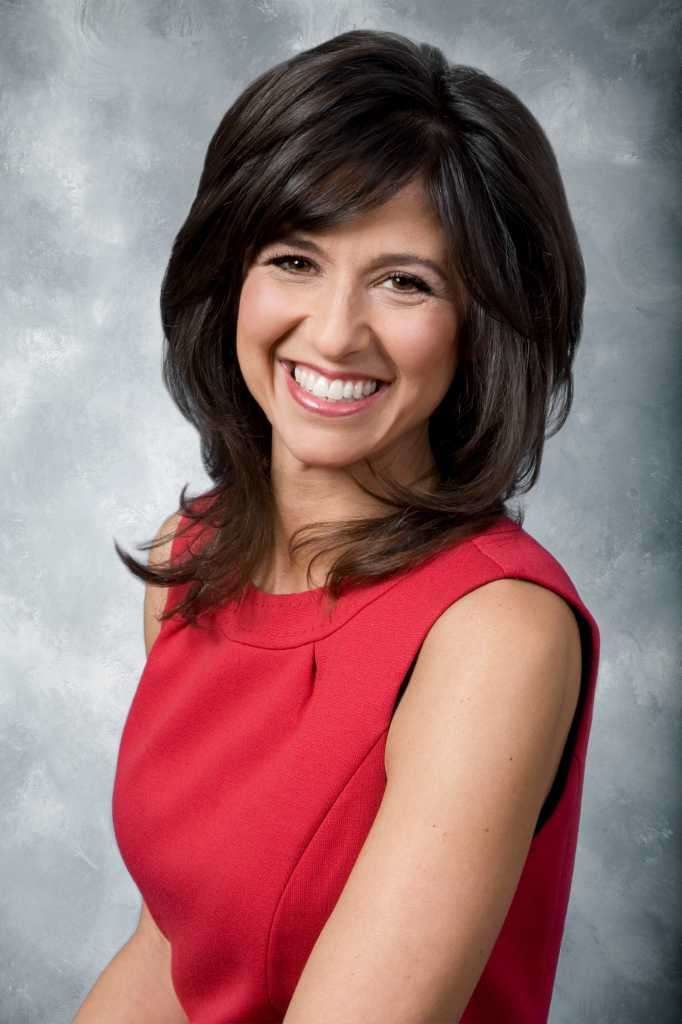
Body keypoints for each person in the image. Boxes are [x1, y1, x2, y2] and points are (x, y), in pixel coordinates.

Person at [74, 28, 601, 1024]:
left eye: (405, 280)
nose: (331, 332)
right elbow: (173, 951)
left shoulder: (495, 634)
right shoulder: (188, 560)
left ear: (481, 323)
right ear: (231, 274)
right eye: (294, 259)